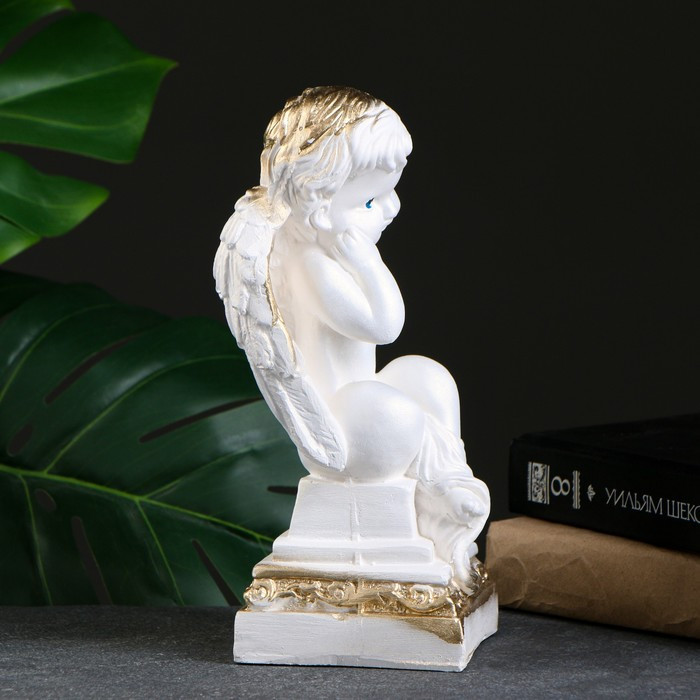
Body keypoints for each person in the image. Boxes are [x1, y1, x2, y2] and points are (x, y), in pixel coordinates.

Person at [215, 86, 489, 589]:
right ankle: (442, 489)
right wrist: (367, 261)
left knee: (427, 376)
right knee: (395, 411)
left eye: (390, 192)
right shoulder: (311, 266)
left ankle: (446, 477)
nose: (392, 207)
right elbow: (386, 324)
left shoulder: (326, 252)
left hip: (367, 407)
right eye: (369, 200)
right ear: (319, 206)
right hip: (343, 434)